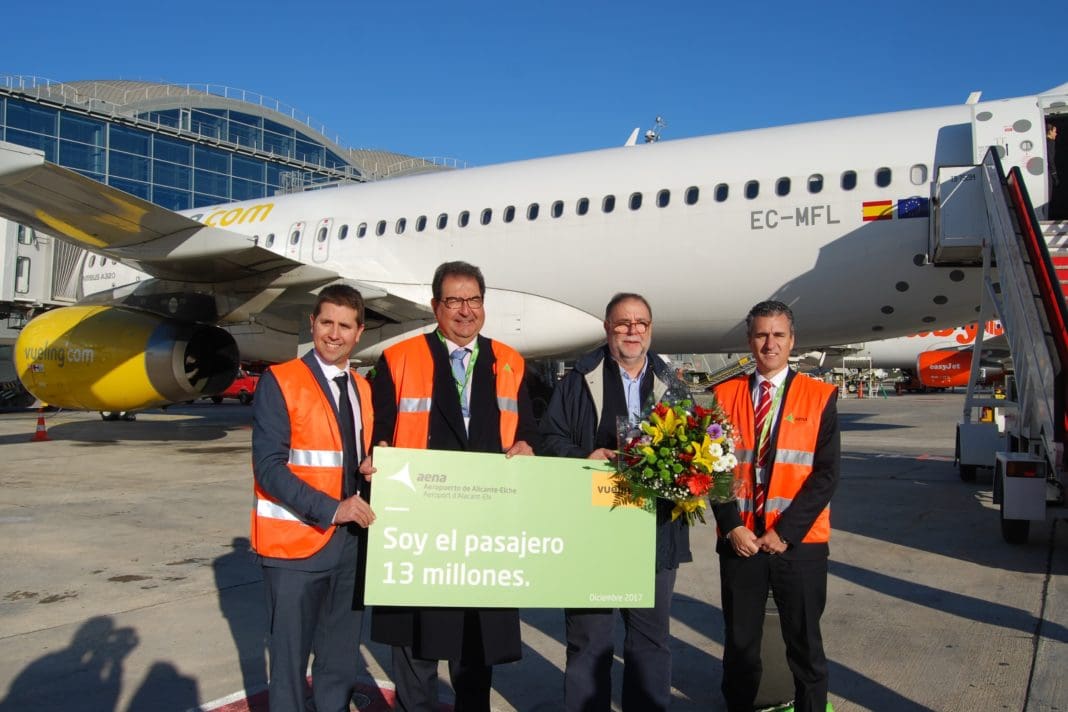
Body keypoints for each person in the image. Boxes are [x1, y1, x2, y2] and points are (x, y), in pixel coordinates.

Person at [369, 260, 539, 712]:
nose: (466, 310)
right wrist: (378, 451)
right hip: (418, 525)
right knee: (415, 644)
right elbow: (378, 429)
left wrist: (528, 445)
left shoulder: (510, 362)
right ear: (435, 306)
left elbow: (529, 429)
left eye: (474, 300)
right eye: (454, 301)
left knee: (475, 648)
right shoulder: (399, 358)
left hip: (483, 527)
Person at [539, 292, 691, 712]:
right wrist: (583, 457)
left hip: (654, 531)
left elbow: (693, 449)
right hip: (592, 531)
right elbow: (549, 439)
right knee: (589, 640)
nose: (632, 331)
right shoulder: (577, 381)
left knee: (650, 641)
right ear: (608, 329)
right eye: (623, 323)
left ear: (651, 329)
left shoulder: (672, 384)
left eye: (641, 323)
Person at [251, 284, 376, 712]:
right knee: (289, 668)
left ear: (359, 332)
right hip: (295, 547)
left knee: (339, 662)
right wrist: (332, 509)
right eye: (327, 323)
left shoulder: (362, 388)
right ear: (312, 324)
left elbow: (346, 455)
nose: (334, 334)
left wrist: (369, 466)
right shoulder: (281, 380)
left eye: (345, 326)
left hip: (349, 545)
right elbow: (269, 467)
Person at [711, 300, 839, 712]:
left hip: (798, 545)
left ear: (792, 340)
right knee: (740, 650)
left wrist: (784, 532)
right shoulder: (723, 395)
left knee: (805, 650)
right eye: (762, 335)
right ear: (750, 341)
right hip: (741, 542)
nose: (770, 344)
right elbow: (711, 468)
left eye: (778, 335)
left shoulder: (819, 396)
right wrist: (732, 525)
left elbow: (825, 475)